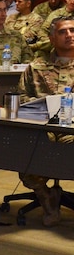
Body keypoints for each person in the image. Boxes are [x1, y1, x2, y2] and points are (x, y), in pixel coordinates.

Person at [16, 15, 74, 226]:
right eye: (62, 32)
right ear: (51, 38)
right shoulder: (36, 67)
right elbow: (21, 99)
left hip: (72, 132)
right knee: (24, 147)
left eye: (72, 31)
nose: (69, 35)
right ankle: (46, 197)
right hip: (43, 128)